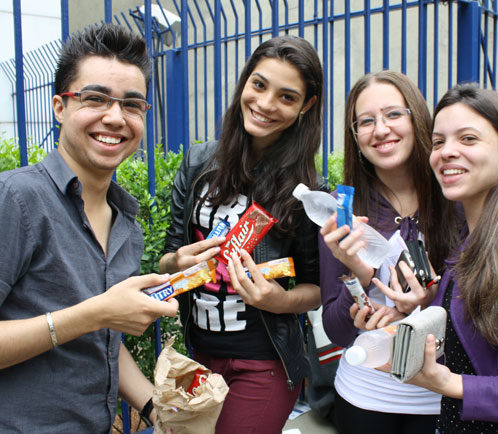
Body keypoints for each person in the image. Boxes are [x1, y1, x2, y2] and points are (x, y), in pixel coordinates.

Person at [0, 24, 179, 433]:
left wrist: (156, 409)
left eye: (132, 105)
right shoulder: (16, 199)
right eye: (95, 98)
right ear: (60, 107)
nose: (115, 117)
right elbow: (94, 319)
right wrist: (95, 313)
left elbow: (102, 341)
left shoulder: (126, 226)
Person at [158, 35, 325, 434]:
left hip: (263, 364)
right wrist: (178, 262)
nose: (266, 104)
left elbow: (317, 287)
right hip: (198, 358)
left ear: (307, 106)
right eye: (259, 85)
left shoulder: (307, 192)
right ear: (245, 82)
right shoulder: (198, 162)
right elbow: (166, 257)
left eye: (287, 97)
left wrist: (280, 300)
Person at [396, 83, 498, 432]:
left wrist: (452, 385)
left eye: (468, 139)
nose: (447, 152)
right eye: (438, 142)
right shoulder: (468, 234)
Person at [318, 70, 458, 434]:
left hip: (439, 395)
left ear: (417, 118)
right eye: (366, 121)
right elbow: (335, 330)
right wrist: (359, 274)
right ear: (355, 137)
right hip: (365, 396)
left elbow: (481, 314)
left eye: (394, 114)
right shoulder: (343, 210)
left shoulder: (455, 198)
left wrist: (427, 304)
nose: (380, 130)